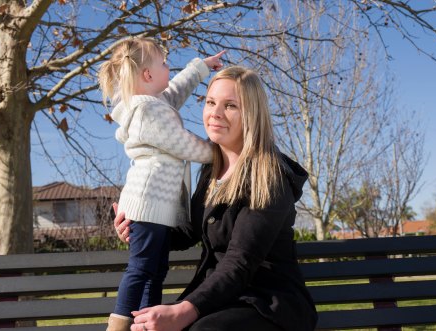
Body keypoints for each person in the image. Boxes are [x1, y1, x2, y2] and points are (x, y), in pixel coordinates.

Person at [113, 66, 318, 331]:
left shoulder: (270, 176)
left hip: (268, 304)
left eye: (230, 105)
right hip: (219, 299)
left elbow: (240, 261)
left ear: (251, 114)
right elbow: (188, 231)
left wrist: (183, 311)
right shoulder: (211, 170)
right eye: (211, 102)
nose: (215, 114)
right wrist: (139, 228)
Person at [98, 37, 226, 331]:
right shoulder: (148, 112)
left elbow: (178, 89)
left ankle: (144, 323)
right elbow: (184, 145)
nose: (170, 67)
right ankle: (118, 326)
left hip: (153, 206)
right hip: (148, 204)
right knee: (142, 268)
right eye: (165, 63)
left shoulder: (154, 104)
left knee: (155, 270)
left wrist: (201, 68)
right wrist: (219, 149)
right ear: (148, 76)